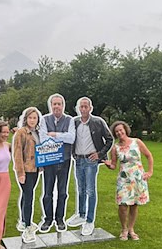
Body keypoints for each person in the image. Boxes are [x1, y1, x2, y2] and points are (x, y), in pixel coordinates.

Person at [66, 97, 113, 236]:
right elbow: (67, 137)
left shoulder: (98, 122)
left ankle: (90, 221)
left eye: (86, 106)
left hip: (91, 161)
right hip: (78, 160)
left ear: (90, 108)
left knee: (90, 190)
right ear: (78, 108)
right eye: (81, 107)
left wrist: (100, 154)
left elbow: (109, 139)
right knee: (80, 189)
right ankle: (80, 215)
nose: (84, 109)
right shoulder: (74, 122)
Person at [103, 121, 153, 241]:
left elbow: (149, 155)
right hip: (124, 179)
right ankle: (124, 229)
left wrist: (150, 172)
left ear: (125, 129)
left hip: (137, 177)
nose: (119, 133)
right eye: (117, 132)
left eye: (121, 130)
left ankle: (131, 229)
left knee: (134, 204)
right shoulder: (115, 148)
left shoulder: (137, 142)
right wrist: (109, 165)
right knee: (123, 205)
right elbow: (114, 165)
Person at [38, 93, 76, 233]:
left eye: (59, 104)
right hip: (49, 160)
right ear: (51, 105)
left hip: (65, 160)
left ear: (63, 105)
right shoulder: (44, 119)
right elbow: (43, 139)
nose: (57, 106)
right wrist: (61, 137)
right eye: (54, 104)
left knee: (62, 192)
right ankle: (48, 219)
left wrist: (54, 134)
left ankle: (60, 218)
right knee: (48, 192)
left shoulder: (69, 120)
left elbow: (71, 138)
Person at [12, 107, 42, 243]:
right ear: (26, 119)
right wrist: (20, 173)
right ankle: (28, 227)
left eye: (35, 118)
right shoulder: (21, 133)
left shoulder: (37, 132)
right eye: (30, 117)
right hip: (26, 170)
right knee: (29, 197)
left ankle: (23, 221)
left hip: (35, 170)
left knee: (26, 195)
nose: (32, 120)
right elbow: (17, 154)